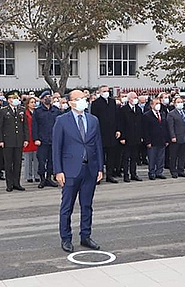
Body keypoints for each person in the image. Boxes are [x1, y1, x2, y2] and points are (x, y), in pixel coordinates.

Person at [52, 90, 104, 253]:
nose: (83, 101)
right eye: (79, 99)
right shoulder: (61, 121)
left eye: (84, 98)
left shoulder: (93, 120)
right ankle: (66, 238)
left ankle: (86, 236)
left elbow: (97, 145)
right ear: (71, 102)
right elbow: (56, 148)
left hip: (90, 169)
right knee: (67, 206)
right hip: (69, 170)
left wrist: (100, 167)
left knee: (87, 205)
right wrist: (58, 171)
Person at [0, 90, 29, 192]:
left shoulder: (21, 110)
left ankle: (17, 183)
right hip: (8, 140)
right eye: (13, 98)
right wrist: (1, 140)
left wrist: (26, 139)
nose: (15, 100)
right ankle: (9, 184)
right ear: (8, 100)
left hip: (19, 140)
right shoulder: (3, 111)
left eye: (16, 98)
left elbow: (25, 126)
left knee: (18, 162)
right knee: (8, 163)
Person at [90, 85, 121, 183]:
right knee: (100, 156)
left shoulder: (112, 102)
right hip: (101, 133)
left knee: (111, 156)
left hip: (112, 133)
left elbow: (116, 117)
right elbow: (94, 118)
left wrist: (118, 130)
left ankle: (109, 175)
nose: (106, 92)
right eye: (104, 91)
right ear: (99, 92)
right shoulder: (96, 103)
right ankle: (98, 175)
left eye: (107, 91)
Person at [32, 90, 61, 188]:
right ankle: (42, 179)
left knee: (52, 161)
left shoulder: (56, 110)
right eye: (45, 97)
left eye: (49, 96)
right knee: (41, 161)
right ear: (41, 99)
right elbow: (34, 126)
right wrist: (36, 138)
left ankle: (49, 178)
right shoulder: (38, 111)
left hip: (53, 139)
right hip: (42, 140)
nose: (48, 98)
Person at [118, 92, 144, 182]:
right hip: (127, 137)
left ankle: (134, 174)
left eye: (136, 97)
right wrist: (122, 137)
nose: (136, 99)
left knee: (134, 157)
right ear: (129, 99)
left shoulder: (138, 109)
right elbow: (121, 124)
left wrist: (141, 136)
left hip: (136, 137)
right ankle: (126, 174)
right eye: (134, 97)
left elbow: (141, 124)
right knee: (126, 157)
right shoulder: (123, 110)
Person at [142, 98, 169, 180]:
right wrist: (147, 141)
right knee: (152, 157)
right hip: (152, 140)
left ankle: (159, 172)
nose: (158, 105)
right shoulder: (147, 115)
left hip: (162, 139)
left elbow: (165, 127)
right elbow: (145, 130)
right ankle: (152, 172)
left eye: (159, 103)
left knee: (161, 157)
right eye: (156, 103)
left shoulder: (162, 114)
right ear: (151, 105)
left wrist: (167, 139)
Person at [166, 97, 185, 178]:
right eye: (178, 102)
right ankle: (173, 170)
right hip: (176, 137)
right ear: (175, 104)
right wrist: (173, 136)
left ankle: (181, 169)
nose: (180, 103)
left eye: (181, 102)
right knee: (174, 155)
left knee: (183, 155)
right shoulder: (171, 114)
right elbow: (170, 127)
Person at [23, 97, 39, 182]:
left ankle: (37, 175)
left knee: (36, 158)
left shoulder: (37, 113)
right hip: (28, 137)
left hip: (35, 137)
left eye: (34, 102)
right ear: (28, 104)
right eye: (32, 102)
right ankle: (28, 176)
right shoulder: (25, 113)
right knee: (28, 158)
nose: (33, 104)